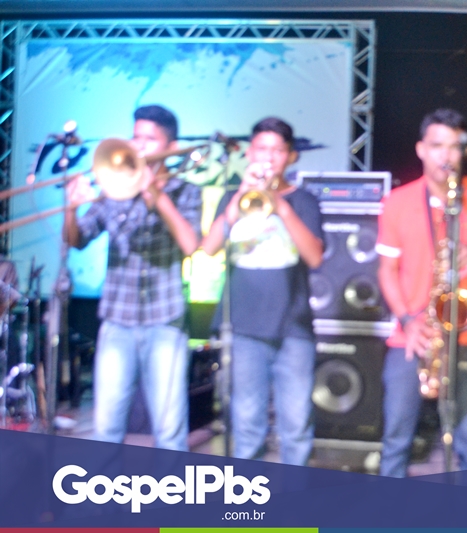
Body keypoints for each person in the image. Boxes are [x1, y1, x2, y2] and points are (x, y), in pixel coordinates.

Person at [375, 108, 467, 477]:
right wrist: (407, 320)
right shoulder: (398, 201)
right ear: (421, 149)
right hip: (413, 335)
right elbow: (387, 271)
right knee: (395, 441)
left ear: (464, 151)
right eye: (437, 146)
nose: (445, 156)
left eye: (454, 146)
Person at [64, 104, 202, 450]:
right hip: (117, 320)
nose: (138, 145)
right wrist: (71, 208)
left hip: (165, 320)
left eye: (149, 139)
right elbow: (77, 240)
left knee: (169, 431)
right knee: (107, 428)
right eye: (135, 136)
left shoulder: (186, 191)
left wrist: (156, 195)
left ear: (171, 147)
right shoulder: (114, 189)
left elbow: (190, 245)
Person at [202, 117, 323, 464]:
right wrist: (241, 195)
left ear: (291, 156)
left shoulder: (303, 200)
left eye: (277, 151)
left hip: (293, 327)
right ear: (249, 154)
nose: (268, 157)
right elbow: (209, 247)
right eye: (261, 149)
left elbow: (315, 257)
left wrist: (281, 206)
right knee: (247, 425)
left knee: (296, 425)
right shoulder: (233, 197)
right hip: (244, 326)